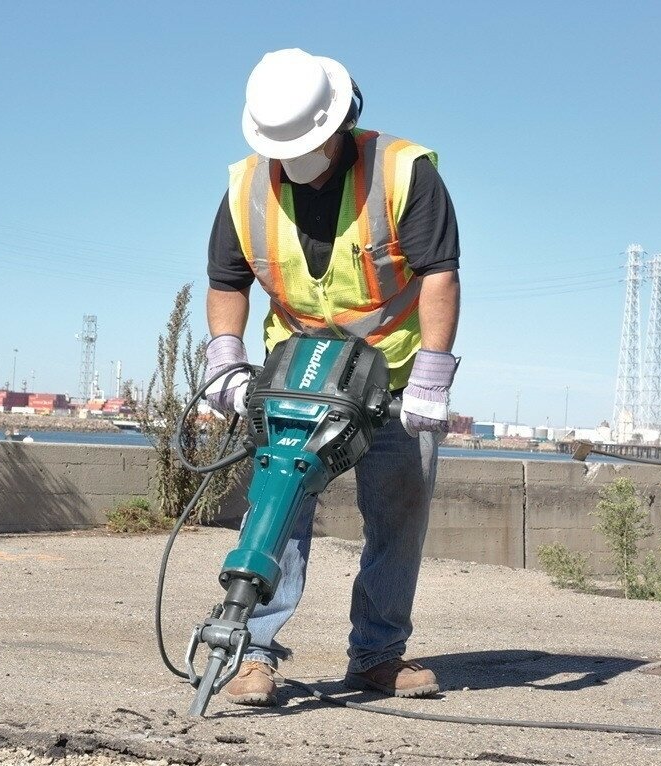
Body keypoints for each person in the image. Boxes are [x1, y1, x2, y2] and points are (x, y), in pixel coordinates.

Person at [205, 48, 461, 706]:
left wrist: (432, 374)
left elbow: (438, 272)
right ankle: (249, 655)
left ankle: (377, 656)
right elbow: (226, 280)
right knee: (277, 513)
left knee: (397, 518)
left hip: (391, 381)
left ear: (343, 118)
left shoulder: (404, 172)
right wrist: (224, 356)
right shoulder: (245, 186)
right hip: (294, 376)